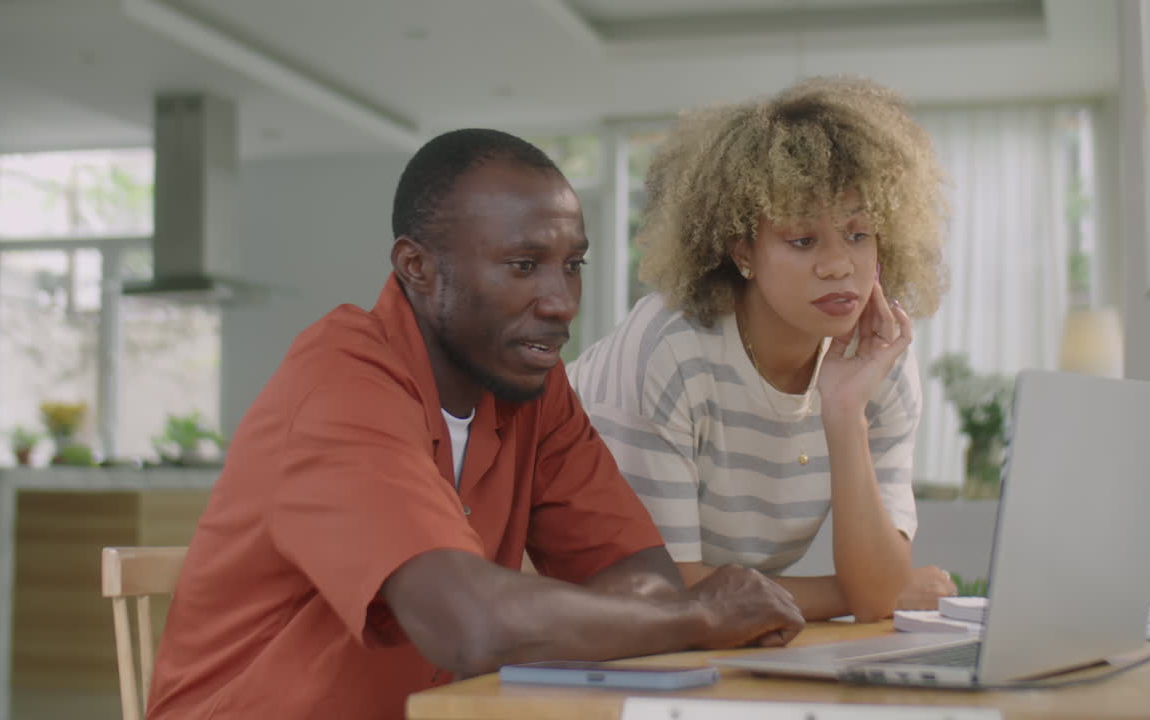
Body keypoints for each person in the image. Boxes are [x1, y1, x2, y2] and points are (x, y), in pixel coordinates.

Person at [145, 129, 804, 720]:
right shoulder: (339, 386)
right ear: (417, 267)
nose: (561, 302)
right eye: (523, 265)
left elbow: (645, 580)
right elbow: (472, 626)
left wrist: (542, 616)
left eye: (572, 265)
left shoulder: (532, 386)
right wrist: (699, 615)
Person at [568, 76, 957, 624]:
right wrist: (854, 593)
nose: (838, 265)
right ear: (743, 251)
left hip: (695, 630)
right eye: (802, 240)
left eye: (858, 233)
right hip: (542, 597)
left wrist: (844, 410)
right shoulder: (671, 351)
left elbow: (876, 599)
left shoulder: (878, 359)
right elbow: (663, 591)